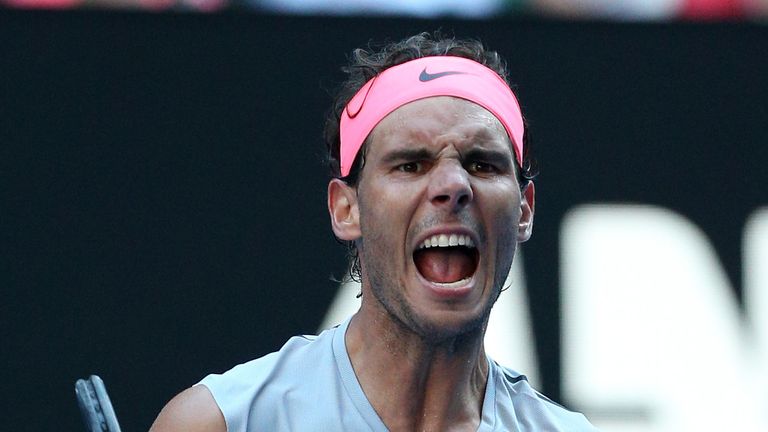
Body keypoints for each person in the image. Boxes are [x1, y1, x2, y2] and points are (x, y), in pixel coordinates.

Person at [150, 32, 597, 431]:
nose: (454, 186)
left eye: (482, 164)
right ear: (346, 208)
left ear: (524, 210)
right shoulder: (218, 423)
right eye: (410, 164)